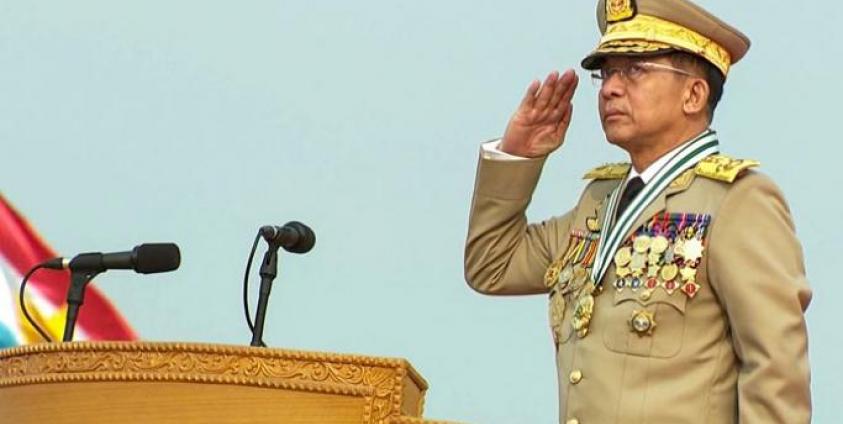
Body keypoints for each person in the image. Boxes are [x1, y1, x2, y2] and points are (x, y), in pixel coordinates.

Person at [463, 0, 812, 423]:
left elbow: (776, 372)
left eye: (635, 70)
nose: (610, 88)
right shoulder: (598, 203)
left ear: (693, 94)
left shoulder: (738, 202)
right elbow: (492, 265)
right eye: (606, 72)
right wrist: (517, 155)